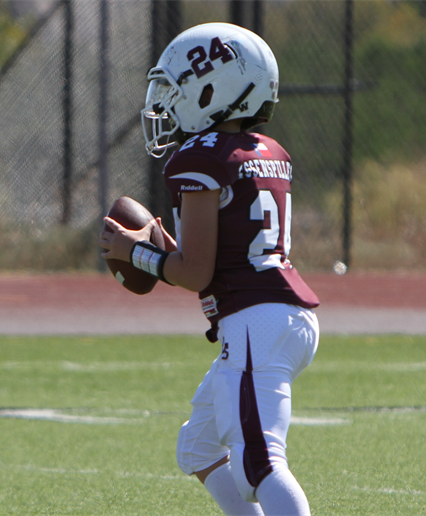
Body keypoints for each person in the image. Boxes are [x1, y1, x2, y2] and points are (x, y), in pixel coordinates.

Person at [100, 22, 320, 516]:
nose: (167, 103)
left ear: (213, 90)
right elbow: (224, 253)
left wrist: (135, 252)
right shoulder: (269, 152)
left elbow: (195, 273)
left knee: (260, 465)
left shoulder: (197, 157)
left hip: (254, 322)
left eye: (177, 90)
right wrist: (165, 249)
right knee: (198, 448)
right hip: (283, 314)